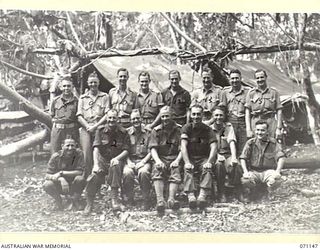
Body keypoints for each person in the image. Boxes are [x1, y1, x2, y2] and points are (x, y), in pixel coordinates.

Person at [84, 109, 130, 214]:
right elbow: (96, 148)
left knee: (115, 166)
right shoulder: (100, 130)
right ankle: (89, 202)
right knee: (94, 176)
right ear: (107, 118)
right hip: (103, 160)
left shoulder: (123, 132)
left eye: (114, 118)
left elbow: (126, 150)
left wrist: (117, 158)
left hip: (116, 160)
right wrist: (95, 164)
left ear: (117, 119)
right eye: (109, 117)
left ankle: (114, 199)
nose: (111, 120)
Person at [180, 104, 218, 209]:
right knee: (187, 168)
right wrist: (187, 162)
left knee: (207, 168)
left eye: (198, 114)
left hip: (203, 157)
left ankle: (202, 196)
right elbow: (183, 146)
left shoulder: (208, 129)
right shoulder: (186, 128)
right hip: (191, 157)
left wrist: (209, 161)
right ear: (191, 115)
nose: (196, 117)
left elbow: (214, 147)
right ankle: (191, 196)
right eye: (194, 114)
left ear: (202, 116)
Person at [240, 120, 286, 201]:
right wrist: (245, 171)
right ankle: (252, 192)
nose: (259, 133)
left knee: (277, 180)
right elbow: (243, 158)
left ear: (267, 131)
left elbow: (281, 157)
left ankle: (269, 192)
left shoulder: (273, 142)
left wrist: (278, 171)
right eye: (257, 130)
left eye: (262, 130)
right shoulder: (250, 143)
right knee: (245, 180)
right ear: (255, 130)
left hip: (268, 171)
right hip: (254, 171)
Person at [149, 106, 182, 213]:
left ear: (172, 116)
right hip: (161, 157)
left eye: (167, 116)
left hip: (174, 157)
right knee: (156, 170)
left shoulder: (179, 129)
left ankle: (171, 199)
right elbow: (153, 149)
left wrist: (177, 160)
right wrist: (158, 161)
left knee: (175, 171)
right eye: (162, 117)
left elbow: (183, 149)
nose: (165, 119)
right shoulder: (156, 130)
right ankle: (160, 201)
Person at [77, 71, 110, 177]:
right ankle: (87, 177)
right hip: (86, 128)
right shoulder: (82, 98)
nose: (93, 85)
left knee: (101, 152)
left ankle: (101, 177)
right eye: (91, 83)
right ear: (87, 83)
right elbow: (79, 116)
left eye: (95, 82)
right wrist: (87, 126)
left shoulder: (105, 97)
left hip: (99, 127)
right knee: (86, 153)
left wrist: (95, 127)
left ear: (99, 83)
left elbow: (107, 114)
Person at [43, 137, 86, 210]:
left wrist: (61, 173)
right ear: (62, 146)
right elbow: (47, 175)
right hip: (60, 185)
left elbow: (80, 172)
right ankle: (58, 201)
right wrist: (61, 179)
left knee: (80, 179)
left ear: (75, 146)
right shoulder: (56, 157)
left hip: (74, 184)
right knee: (47, 185)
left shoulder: (79, 154)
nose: (70, 148)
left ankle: (75, 200)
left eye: (72, 145)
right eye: (67, 145)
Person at [210, 106, 243, 202]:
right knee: (219, 165)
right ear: (213, 116)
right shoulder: (209, 129)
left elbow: (231, 142)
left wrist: (233, 157)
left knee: (236, 165)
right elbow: (210, 145)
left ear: (224, 116)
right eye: (216, 115)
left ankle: (239, 191)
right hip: (214, 155)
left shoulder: (228, 127)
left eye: (221, 115)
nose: (218, 117)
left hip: (227, 154)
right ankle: (221, 192)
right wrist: (217, 155)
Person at [122, 109, 152, 210]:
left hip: (144, 160)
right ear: (131, 120)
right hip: (131, 160)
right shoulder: (127, 133)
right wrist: (128, 162)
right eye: (133, 119)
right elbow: (124, 149)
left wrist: (143, 162)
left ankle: (145, 199)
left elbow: (151, 150)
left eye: (137, 118)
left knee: (143, 172)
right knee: (127, 172)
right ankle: (129, 198)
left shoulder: (148, 132)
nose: (136, 121)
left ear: (141, 119)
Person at [245, 69, 283, 140]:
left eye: (262, 77)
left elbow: (279, 111)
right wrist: (248, 129)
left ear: (266, 77)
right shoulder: (251, 93)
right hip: (256, 123)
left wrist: (278, 128)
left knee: (271, 145)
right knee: (256, 146)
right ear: (255, 79)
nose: (260, 80)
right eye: (257, 78)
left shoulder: (274, 92)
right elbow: (247, 112)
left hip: (270, 122)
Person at [223, 69, 251, 155]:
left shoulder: (248, 91)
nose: (234, 81)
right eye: (232, 78)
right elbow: (223, 108)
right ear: (229, 79)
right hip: (230, 122)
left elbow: (249, 110)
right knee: (231, 146)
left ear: (241, 78)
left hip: (243, 123)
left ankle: (244, 166)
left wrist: (249, 128)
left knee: (243, 148)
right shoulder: (225, 92)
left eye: (236, 78)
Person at [49, 77, 79, 154]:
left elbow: (78, 117)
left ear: (72, 87)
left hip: (71, 130)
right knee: (55, 152)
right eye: (64, 86)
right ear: (61, 87)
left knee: (71, 152)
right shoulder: (55, 100)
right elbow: (51, 115)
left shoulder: (77, 101)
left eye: (69, 86)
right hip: (57, 130)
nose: (66, 88)